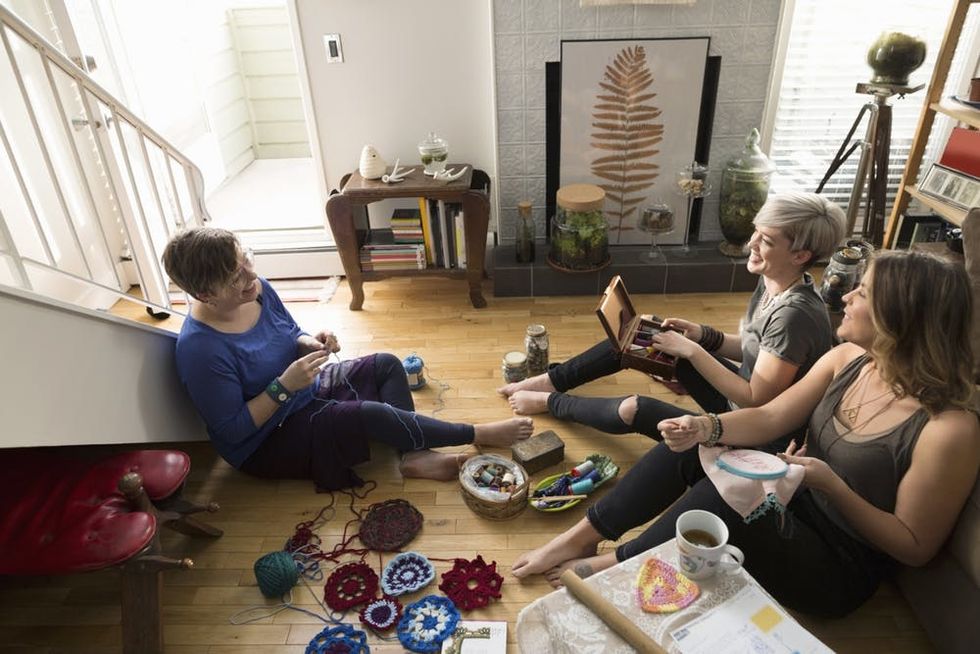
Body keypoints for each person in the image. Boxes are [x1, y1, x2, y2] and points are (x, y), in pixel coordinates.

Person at [512, 250, 979, 618]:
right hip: (796, 495)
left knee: (736, 490)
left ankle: (618, 563)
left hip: (837, 564)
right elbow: (771, 416)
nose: (848, 296)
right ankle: (583, 537)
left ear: (900, 317)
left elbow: (914, 548)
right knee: (699, 446)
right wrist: (705, 426)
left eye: (865, 292)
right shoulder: (849, 360)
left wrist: (830, 483)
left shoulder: (949, 429)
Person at [162, 227, 533, 490]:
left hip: (302, 392)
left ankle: (414, 455)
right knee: (370, 414)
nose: (250, 274)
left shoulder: (255, 289)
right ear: (205, 294)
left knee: (386, 364)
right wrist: (283, 387)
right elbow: (233, 430)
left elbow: (289, 331)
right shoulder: (200, 350)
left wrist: (310, 342)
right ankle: (476, 433)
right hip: (267, 440)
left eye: (245, 260)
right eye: (235, 276)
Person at [500, 192, 846, 452]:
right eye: (756, 232)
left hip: (757, 435)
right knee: (642, 333)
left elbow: (756, 399)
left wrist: (693, 351)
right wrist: (703, 335)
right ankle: (549, 382)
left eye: (766, 240)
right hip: (739, 402)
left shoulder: (794, 316)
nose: (751, 242)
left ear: (800, 255)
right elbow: (754, 349)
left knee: (634, 408)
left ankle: (550, 402)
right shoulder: (774, 280)